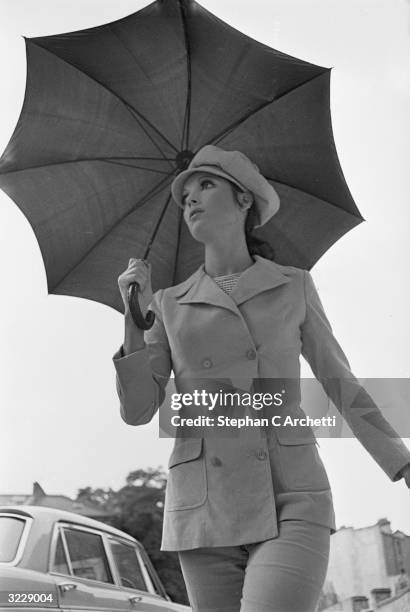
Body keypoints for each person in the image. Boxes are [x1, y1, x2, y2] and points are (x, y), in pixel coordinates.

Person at [113, 145, 410, 612]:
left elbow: (339, 381)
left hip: (290, 493)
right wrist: (134, 320)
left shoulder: (293, 285)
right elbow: (137, 411)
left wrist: (400, 459)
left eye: (205, 185)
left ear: (244, 200)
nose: (190, 200)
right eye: (185, 194)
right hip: (201, 506)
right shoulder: (167, 304)